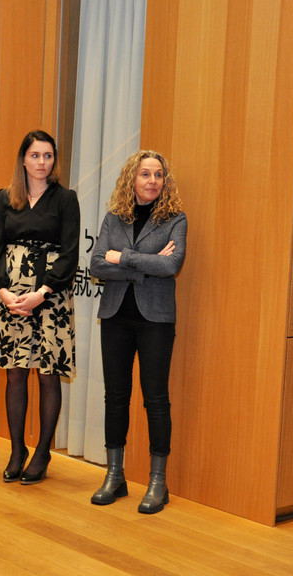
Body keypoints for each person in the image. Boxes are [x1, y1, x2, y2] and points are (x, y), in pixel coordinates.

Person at [88, 150, 187, 514]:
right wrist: (147, 264)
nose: (152, 181)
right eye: (145, 174)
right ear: (132, 178)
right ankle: (115, 475)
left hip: (155, 320)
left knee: (155, 399)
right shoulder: (114, 217)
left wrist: (123, 257)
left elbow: (172, 264)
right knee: (115, 396)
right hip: (115, 316)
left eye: (158, 175)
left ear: (165, 181)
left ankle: (158, 482)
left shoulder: (175, 219)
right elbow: (97, 263)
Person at [0, 130, 80, 484]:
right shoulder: (4, 198)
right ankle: (16, 450)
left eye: (48, 155)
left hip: (50, 297)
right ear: (23, 159)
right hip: (10, 297)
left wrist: (42, 292)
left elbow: (70, 253)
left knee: (47, 373)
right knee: (15, 372)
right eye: (35, 155)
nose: (42, 162)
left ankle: (42, 452)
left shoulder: (65, 199)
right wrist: (2, 290)